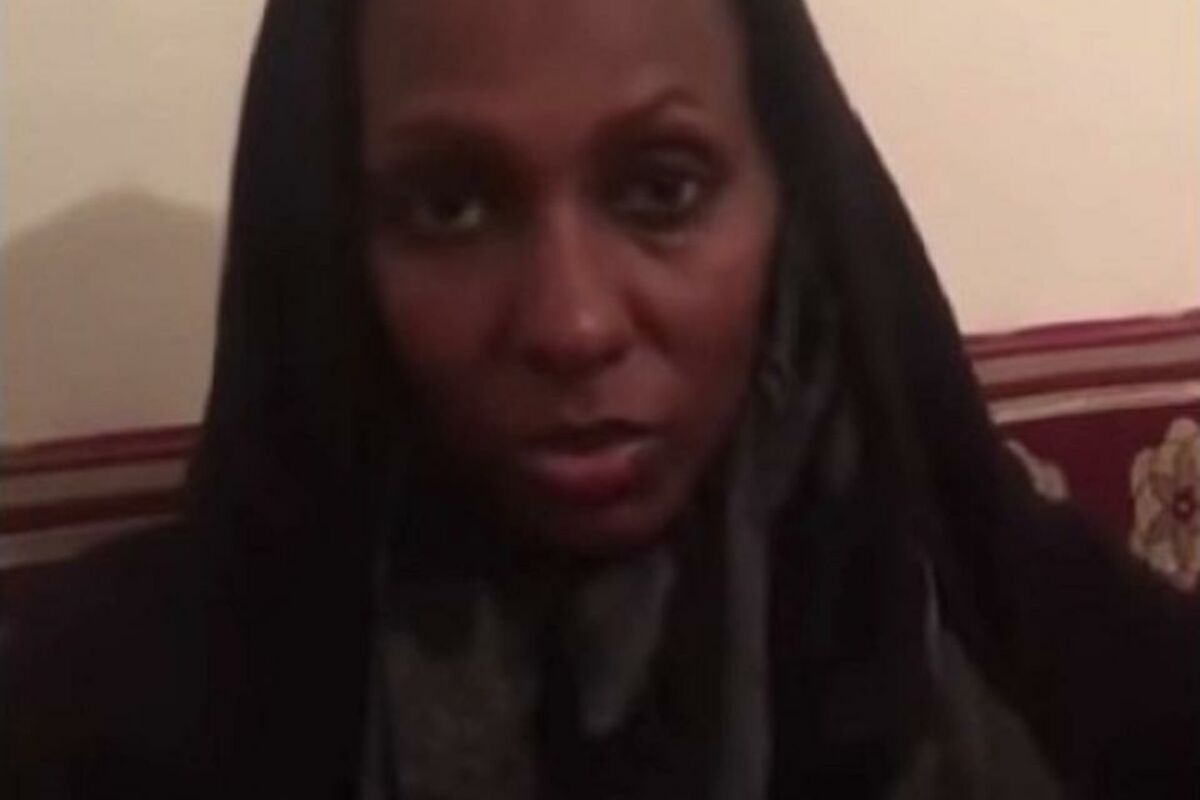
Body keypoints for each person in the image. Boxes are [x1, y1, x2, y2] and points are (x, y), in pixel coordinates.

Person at [5, 0, 1199, 797]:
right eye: (450, 205)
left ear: (790, 204)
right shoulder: (93, 714)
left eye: (662, 188)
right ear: (329, 243)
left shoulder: (1035, 635)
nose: (572, 323)